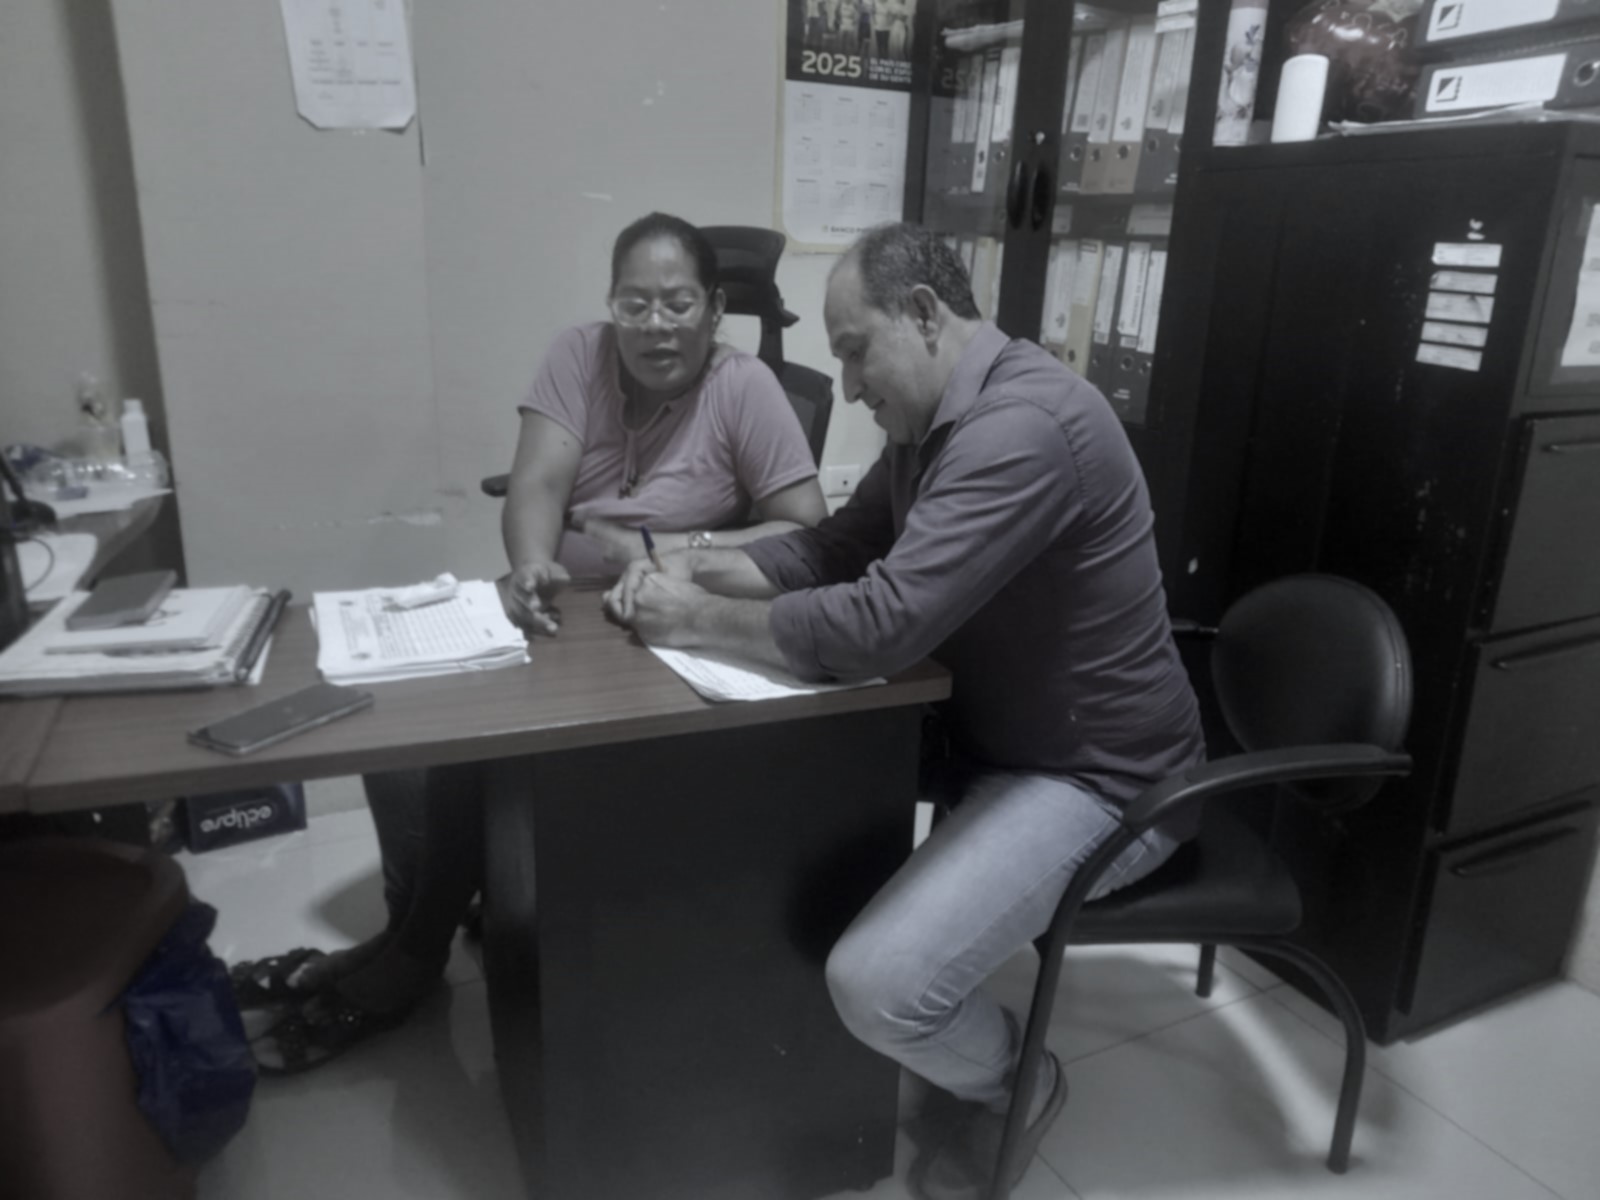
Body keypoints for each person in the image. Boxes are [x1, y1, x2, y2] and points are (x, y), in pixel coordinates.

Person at [602, 222, 1204, 1200]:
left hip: (1103, 780)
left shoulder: (1022, 428)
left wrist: (696, 619)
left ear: (923, 315)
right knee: (763, 785)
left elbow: (882, 624)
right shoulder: (931, 425)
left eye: (854, 352)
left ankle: (1018, 1079)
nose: (845, 388)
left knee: (877, 986)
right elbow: (838, 547)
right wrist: (697, 562)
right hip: (990, 740)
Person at [235, 212, 827, 1073]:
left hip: (655, 631)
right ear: (609, 304)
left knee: (472, 748)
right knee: (400, 729)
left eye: (677, 304)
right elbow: (537, 484)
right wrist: (530, 565)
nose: (655, 325)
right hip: (560, 607)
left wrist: (671, 551)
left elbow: (805, 528)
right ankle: (409, 929)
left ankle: (411, 957)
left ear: (713, 310)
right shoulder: (577, 355)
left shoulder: (746, 388)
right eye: (634, 303)